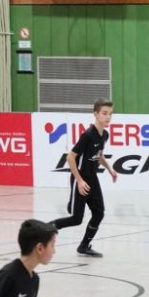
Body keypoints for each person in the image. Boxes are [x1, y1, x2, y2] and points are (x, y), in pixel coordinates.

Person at [50, 98, 118, 257]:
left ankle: (84, 246)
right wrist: (79, 181)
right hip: (80, 179)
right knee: (76, 218)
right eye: (104, 113)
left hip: (93, 178)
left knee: (99, 213)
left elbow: (99, 155)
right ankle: (45, 229)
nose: (108, 117)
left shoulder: (104, 134)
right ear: (96, 114)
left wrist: (110, 169)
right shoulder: (88, 135)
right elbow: (70, 157)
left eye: (110, 114)